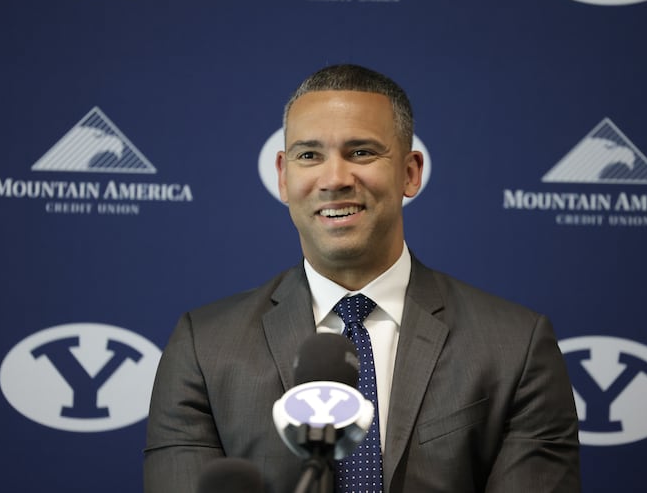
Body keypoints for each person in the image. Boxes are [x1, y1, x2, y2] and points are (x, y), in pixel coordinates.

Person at [144, 64, 581, 493]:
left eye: (361, 153)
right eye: (309, 155)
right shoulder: (204, 348)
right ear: (283, 176)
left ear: (410, 172)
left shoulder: (515, 347)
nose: (334, 179)